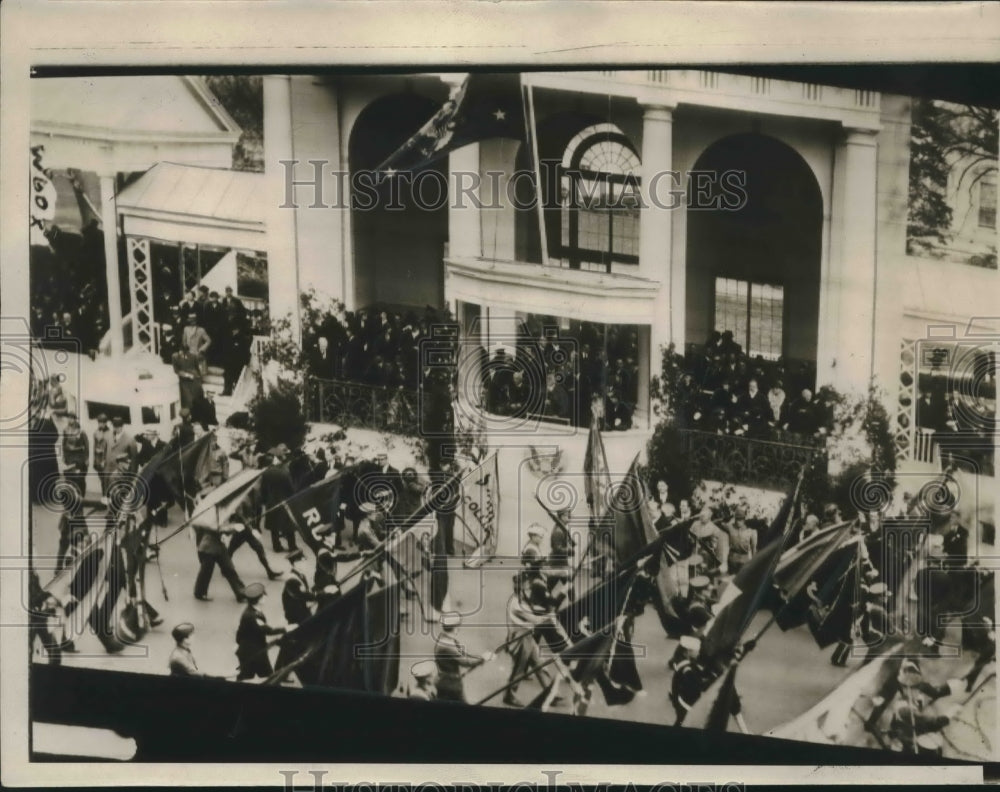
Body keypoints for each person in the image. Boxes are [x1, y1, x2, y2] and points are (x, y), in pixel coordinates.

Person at [502, 577, 553, 707]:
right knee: (518, 670)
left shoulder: (521, 599)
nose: (528, 587)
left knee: (539, 664)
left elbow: (534, 609)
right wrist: (550, 617)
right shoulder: (517, 603)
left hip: (528, 636)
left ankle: (550, 693)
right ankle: (509, 695)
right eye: (526, 585)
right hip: (521, 638)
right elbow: (534, 619)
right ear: (521, 586)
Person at [433, 612, 494, 703]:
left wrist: (481, 657)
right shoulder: (448, 645)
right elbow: (466, 661)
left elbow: (464, 655)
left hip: (445, 680)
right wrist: (483, 658)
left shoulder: (445, 638)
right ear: (455, 628)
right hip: (450, 683)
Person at [236, 582, 286, 681]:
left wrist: (238, 644)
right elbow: (268, 630)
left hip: (251, 650)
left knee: (247, 676)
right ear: (259, 599)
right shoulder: (252, 616)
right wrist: (285, 629)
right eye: (263, 595)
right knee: (269, 677)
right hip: (253, 652)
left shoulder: (253, 610)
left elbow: (240, 631)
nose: (265, 597)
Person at [193, 518, 247, 603]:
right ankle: (199, 593)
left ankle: (240, 592)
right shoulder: (211, 515)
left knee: (229, 568)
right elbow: (217, 529)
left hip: (218, 547)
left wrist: (231, 528)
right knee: (206, 572)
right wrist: (232, 528)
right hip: (208, 548)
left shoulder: (220, 514)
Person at [260, 445, 297, 552]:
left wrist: (265, 500)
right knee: (288, 525)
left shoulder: (267, 472)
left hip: (271, 502)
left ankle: (276, 546)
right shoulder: (285, 472)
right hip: (284, 501)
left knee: (274, 526)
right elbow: (291, 488)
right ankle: (292, 546)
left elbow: (263, 489)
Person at [670, 635, 706, 726]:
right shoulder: (687, 669)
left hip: (678, 699)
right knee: (683, 721)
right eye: (697, 650)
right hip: (685, 703)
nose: (699, 652)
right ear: (688, 652)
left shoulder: (682, 662)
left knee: (681, 720)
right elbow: (694, 686)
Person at [60, 417, 90, 499]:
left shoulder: (81, 432)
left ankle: (81, 496)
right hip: (69, 458)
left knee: (80, 478)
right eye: (69, 418)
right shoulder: (66, 430)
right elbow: (63, 444)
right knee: (69, 478)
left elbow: (86, 446)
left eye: (72, 418)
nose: (70, 420)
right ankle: (70, 496)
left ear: (75, 419)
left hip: (79, 458)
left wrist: (87, 458)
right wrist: (64, 456)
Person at [725, 504, 758, 574]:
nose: (738, 521)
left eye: (740, 519)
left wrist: (753, 563)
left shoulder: (751, 531)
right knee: (731, 579)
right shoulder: (730, 527)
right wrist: (730, 517)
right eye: (737, 519)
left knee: (741, 582)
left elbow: (754, 548)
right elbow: (719, 522)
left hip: (744, 559)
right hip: (732, 558)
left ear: (744, 519)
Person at [92, 413, 112, 496]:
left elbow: (110, 448)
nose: (101, 424)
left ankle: (107, 498)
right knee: (102, 481)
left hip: (106, 459)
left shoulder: (110, 433)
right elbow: (94, 446)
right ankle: (105, 497)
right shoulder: (96, 432)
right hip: (98, 460)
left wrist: (105, 460)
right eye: (100, 422)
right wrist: (95, 460)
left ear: (106, 423)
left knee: (106, 480)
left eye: (103, 422)